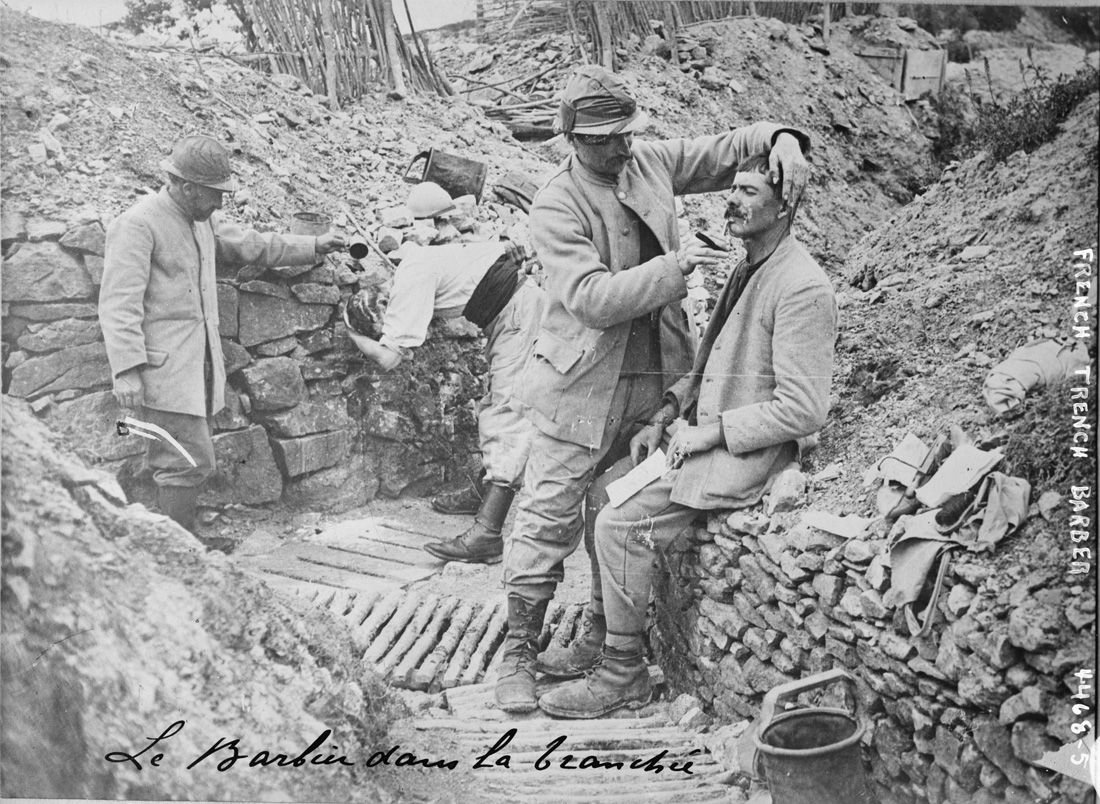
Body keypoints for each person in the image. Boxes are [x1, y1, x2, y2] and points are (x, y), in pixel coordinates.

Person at [494, 64, 811, 713]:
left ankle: (599, 634)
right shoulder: (557, 201)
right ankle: (519, 652)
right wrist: (676, 267)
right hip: (580, 386)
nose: (620, 147)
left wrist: (781, 137)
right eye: (604, 138)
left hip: (656, 377)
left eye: (625, 133)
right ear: (573, 140)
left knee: (614, 507)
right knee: (548, 515)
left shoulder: (652, 162)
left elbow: (727, 152)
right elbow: (588, 298)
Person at [537, 151, 838, 719]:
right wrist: (665, 415)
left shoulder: (802, 287)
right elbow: (708, 365)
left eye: (750, 192)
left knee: (622, 525)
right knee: (602, 491)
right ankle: (605, 635)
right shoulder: (753, 265)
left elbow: (804, 410)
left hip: (744, 455)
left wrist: (711, 435)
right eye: (735, 188)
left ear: (785, 206)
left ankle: (622, 673)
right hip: (702, 436)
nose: (734, 199)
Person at [99, 134, 345, 540]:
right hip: (161, 372)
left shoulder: (202, 220)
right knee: (184, 461)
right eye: (214, 194)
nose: (220, 203)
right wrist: (126, 370)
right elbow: (118, 304)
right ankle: (179, 553)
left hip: (194, 367)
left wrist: (313, 244)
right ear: (187, 186)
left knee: (183, 459)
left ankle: (182, 541)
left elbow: (252, 244)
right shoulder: (138, 224)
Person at [344, 183, 545, 565]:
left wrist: (355, 337)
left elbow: (389, 359)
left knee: (507, 411)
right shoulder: (416, 264)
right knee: (495, 402)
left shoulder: (409, 280)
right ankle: (483, 492)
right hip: (513, 308)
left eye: (381, 310)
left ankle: (487, 534)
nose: (387, 309)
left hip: (519, 310)